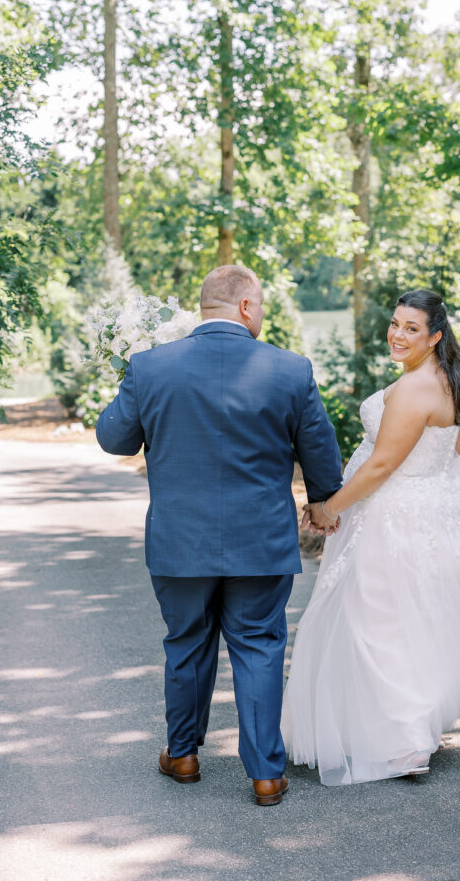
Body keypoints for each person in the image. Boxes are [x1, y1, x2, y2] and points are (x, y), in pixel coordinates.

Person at [96, 265, 343, 805]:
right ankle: (265, 775)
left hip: (179, 542)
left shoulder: (149, 367)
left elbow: (114, 439)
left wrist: (126, 380)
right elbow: (321, 454)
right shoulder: (290, 369)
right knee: (258, 647)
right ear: (247, 307)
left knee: (186, 644)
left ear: (204, 307)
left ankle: (182, 755)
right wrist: (322, 502)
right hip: (262, 541)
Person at [281, 289, 460, 785]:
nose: (398, 334)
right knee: (415, 619)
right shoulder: (453, 380)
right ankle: (412, 730)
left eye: (411, 328)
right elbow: (456, 448)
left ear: (435, 336)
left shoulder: (411, 390)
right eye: (396, 323)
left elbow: (383, 463)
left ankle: (403, 744)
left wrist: (328, 508)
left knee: (378, 621)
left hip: (392, 517)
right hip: (429, 515)